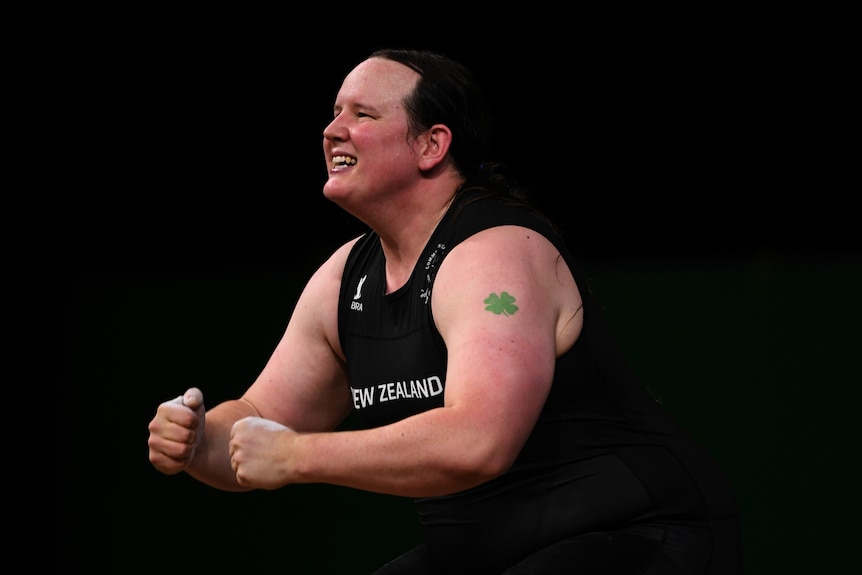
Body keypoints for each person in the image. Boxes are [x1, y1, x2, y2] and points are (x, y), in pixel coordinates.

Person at [147, 48, 743, 574]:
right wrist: (200, 443)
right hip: (490, 551)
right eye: (334, 112)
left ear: (432, 144)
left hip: (637, 535)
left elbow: (478, 441)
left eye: (363, 114)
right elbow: (259, 418)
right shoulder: (344, 277)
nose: (334, 130)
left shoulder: (495, 254)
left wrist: (299, 456)